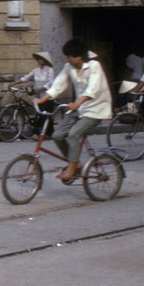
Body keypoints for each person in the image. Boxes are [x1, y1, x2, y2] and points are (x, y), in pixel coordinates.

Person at [35, 38, 111, 181]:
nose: (68, 59)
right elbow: (58, 84)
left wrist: (77, 103)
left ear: (79, 56)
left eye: (70, 56)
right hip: (79, 108)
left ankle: (71, 167)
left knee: (73, 135)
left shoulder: (94, 66)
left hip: (95, 109)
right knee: (57, 135)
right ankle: (76, 164)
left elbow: (93, 89)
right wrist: (42, 100)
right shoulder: (68, 67)